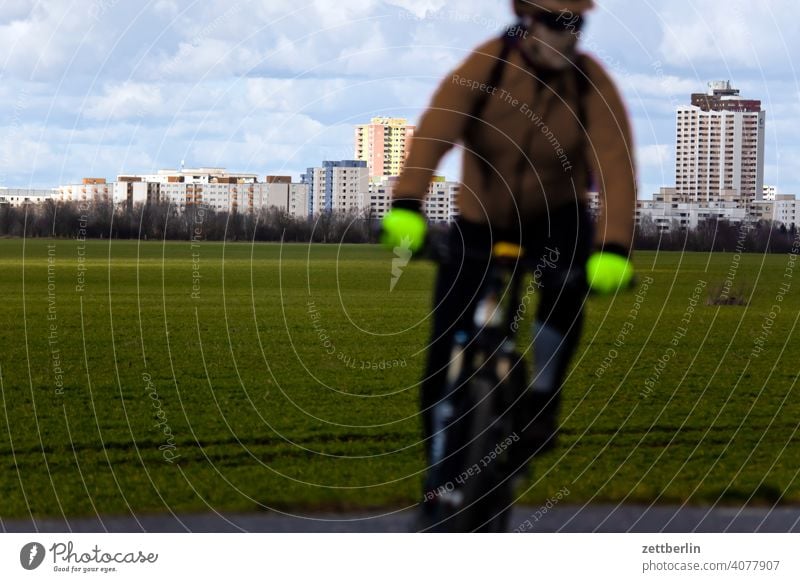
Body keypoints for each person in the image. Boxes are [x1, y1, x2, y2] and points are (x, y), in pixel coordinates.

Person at [381, 0, 637, 528]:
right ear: (527, 21)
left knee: (566, 292)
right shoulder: (490, 63)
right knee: (440, 355)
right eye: (556, 22)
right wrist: (407, 202)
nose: (567, 35)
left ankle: (540, 399)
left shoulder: (589, 83)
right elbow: (437, 130)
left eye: (577, 25)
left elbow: (615, 164)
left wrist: (613, 248)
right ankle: (437, 476)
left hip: (556, 219)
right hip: (482, 219)